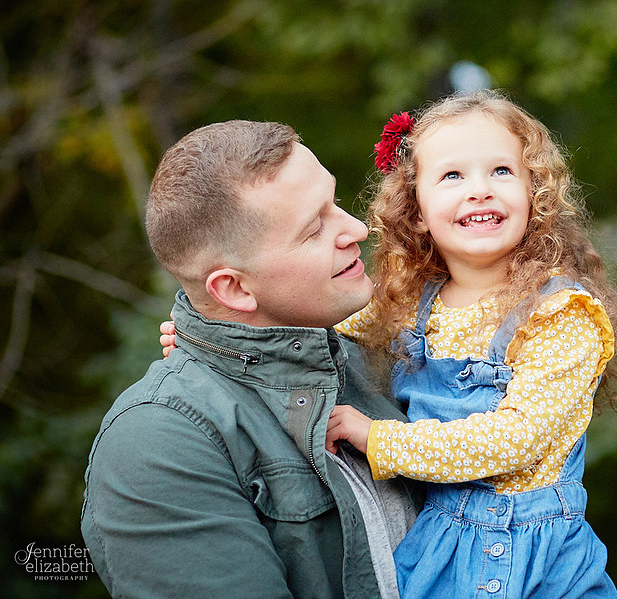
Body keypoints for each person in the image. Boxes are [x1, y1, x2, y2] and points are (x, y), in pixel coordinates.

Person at [324, 91, 617, 599]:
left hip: (532, 557)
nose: (479, 190)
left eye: (501, 171)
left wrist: (380, 439)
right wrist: (207, 337)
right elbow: (319, 327)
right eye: (453, 176)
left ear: (535, 193)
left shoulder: (560, 315)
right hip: (436, 545)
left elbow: (514, 440)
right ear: (415, 210)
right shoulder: (411, 301)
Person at [80, 121, 418, 599]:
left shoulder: (390, 359)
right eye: (314, 228)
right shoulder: (159, 443)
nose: (358, 229)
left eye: (334, 203)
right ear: (234, 288)